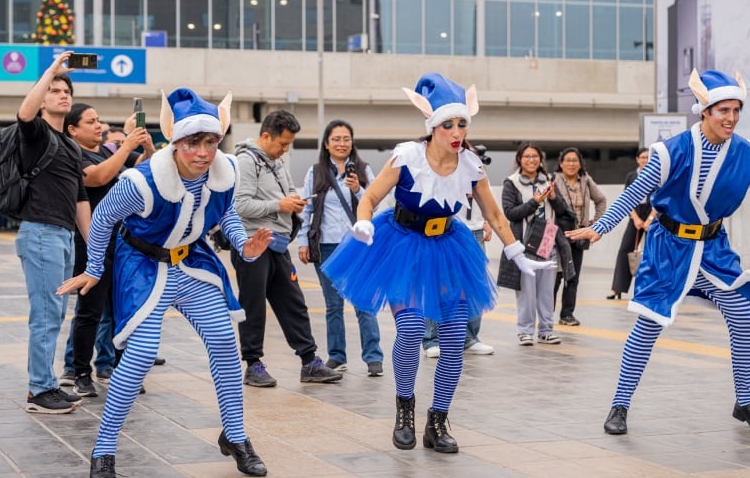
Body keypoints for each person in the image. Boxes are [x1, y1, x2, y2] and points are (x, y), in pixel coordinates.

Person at [567, 69, 750, 436]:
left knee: (743, 316)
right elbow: (636, 194)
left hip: (713, 248)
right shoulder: (672, 152)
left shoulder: (746, 153)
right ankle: (619, 405)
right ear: (705, 111)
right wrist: (601, 227)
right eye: (722, 110)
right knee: (648, 324)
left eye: (736, 110)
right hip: (669, 248)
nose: (731, 118)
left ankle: (745, 401)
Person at [323, 73, 551, 454]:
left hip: (448, 245)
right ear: (432, 125)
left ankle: (439, 419)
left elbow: (494, 214)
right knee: (411, 329)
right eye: (448, 124)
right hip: (402, 244)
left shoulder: (471, 164)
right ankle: (404, 410)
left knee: (453, 335)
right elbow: (372, 195)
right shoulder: (407, 156)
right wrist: (362, 221)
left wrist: (516, 252)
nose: (457, 131)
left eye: (462, 123)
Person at [58, 88, 272, 478]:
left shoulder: (225, 173)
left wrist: (244, 244)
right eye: (194, 143)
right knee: (138, 356)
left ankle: (236, 435)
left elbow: (226, 216)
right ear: (175, 141)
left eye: (211, 142)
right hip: (141, 265)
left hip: (191, 263)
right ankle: (103, 449)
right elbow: (102, 218)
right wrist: (92, 269)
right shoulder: (141, 182)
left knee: (226, 342)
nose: (204, 152)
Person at [232, 111, 341, 387]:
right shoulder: (246, 162)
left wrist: (292, 201)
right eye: (282, 143)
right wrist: (279, 206)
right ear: (266, 136)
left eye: (289, 144)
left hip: (278, 244)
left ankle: (309, 361)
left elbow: (281, 193)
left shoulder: (276, 161)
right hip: (253, 243)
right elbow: (239, 205)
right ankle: (253, 364)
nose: (285, 150)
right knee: (253, 305)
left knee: (293, 302)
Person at [15, 51, 91, 414]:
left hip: (62, 237)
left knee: (56, 312)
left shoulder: (72, 148)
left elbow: (79, 198)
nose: (63, 95)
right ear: (43, 96)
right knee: (45, 313)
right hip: (40, 232)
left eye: (67, 90)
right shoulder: (37, 135)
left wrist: (94, 245)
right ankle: (39, 390)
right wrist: (50, 70)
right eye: (55, 90)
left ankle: (45, 384)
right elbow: (24, 115)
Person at [61, 103, 154, 398]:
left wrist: (147, 150)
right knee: (90, 311)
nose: (98, 125)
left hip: (121, 241)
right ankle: (80, 373)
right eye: (91, 122)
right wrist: (125, 145)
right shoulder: (73, 154)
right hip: (91, 241)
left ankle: (117, 367)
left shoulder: (104, 151)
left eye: (99, 120)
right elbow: (98, 177)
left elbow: (132, 175)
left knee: (121, 309)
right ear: (73, 129)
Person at [296, 120, 385, 377]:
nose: (341, 144)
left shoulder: (365, 170)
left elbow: (379, 205)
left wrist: (360, 190)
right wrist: (303, 242)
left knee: (363, 301)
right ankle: (337, 356)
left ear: (352, 142)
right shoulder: (316, 172)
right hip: (325, 245)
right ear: (326, 143)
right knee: (333, 304)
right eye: (336, 139)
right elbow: (307, 209)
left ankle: (373, 357)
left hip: (357, 244)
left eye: (346, 139)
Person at [497, 144, 571, 346]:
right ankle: (525, 331)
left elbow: (563, 211)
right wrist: (535, 202)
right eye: (527, 156)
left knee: (547, 290)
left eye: (535, 156)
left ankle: (547, 330)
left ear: (541, 159)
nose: (531, 160)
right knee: (526, 291)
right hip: (524, 242)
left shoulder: (550, 181)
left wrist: (554, 199)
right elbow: (510, 213)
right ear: (520, 159)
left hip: (547, 239)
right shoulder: (511, 183)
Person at [422, 195, 495, 358]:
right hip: (446, 229)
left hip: (475, 231)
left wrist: (486, 221)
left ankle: (469, 338)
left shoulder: (479, 170)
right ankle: (431, 339)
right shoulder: (446, 168)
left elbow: (485, 195)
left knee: (475, 284)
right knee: (439, 285)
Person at [551, 147, 607, 326]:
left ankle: (567, 314)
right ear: (561, 163)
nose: (571, 164)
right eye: (567, 160)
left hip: (579, 235)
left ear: (580, 163)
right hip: (558, 235)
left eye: (575, 160)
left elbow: (601, 200)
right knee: (555, 276)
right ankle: (546, 314)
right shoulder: (554, 179)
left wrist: (595, 224)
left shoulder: (585, 179)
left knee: (573, 276)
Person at [608, 147, 652, 300]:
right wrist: (636, 218)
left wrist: (649, 220)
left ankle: (650, 289)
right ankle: (617, 288)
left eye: (648, 157)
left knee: (653, 252)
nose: (645, 160)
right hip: (635, 214)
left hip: (653, 215)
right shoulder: (631, 176)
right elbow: (627, 199)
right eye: (643, 157)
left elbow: (660, 200)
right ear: (637, 159)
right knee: (624, 249)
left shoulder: (657, 176)